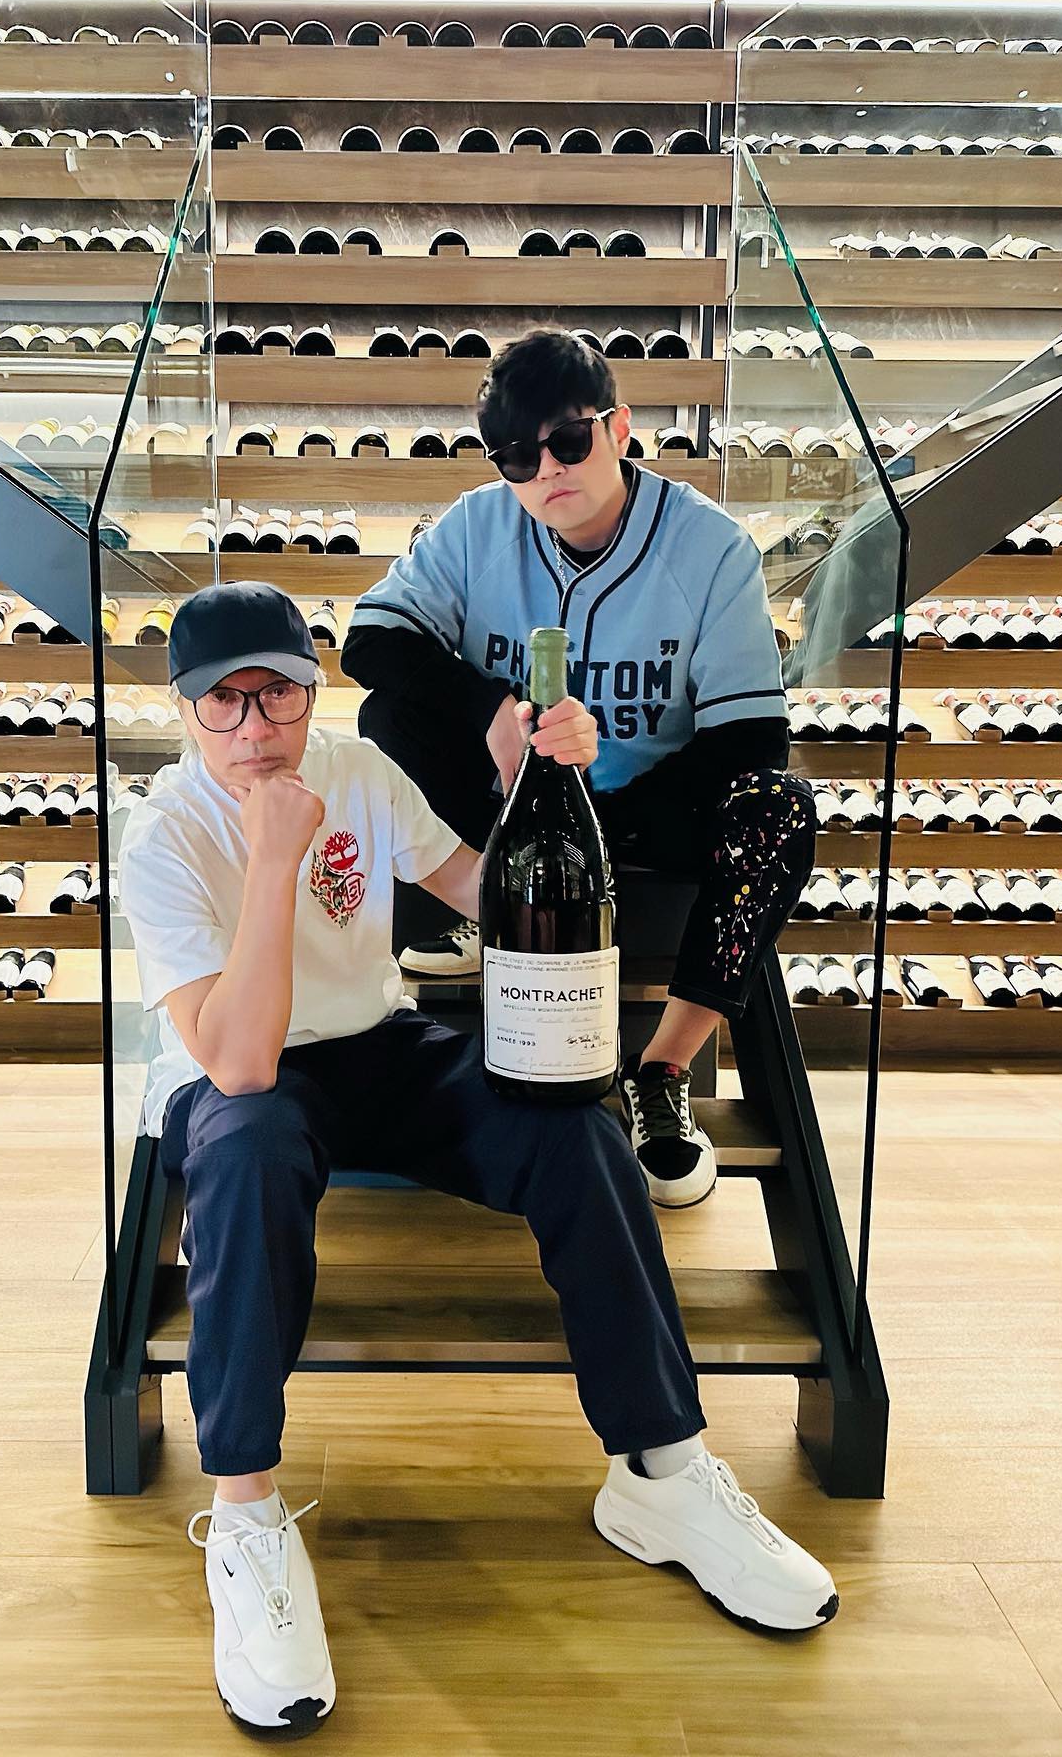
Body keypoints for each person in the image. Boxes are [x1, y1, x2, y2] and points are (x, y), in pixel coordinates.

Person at [119, 580, 838, 1740]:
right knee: (247, 1152)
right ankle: (246, 1518)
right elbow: (241, 1063)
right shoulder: (166, 833)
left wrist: (529, 783)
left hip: (379, 1045)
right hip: (246, 1076)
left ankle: (660, 1472)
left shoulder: (357, 771)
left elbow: (481, 891)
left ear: (311, 690)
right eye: (224, 702)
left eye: (279, 694)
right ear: (185, 708)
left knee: (577, 1126)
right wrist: (271, 860)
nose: (256, 727)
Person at [343, 327, 816, 1212]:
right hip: (505, 827)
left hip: (644, 816)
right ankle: (484, 913)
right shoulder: (480, 523)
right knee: (388, 717)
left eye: (568, 440)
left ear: (619, 428)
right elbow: (368, 640)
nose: (548, 472)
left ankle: (662, 1069)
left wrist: (601, 813)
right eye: (519, 458)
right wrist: (491, 709)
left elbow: (752, 741)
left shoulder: (711, 547)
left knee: (777, 804)